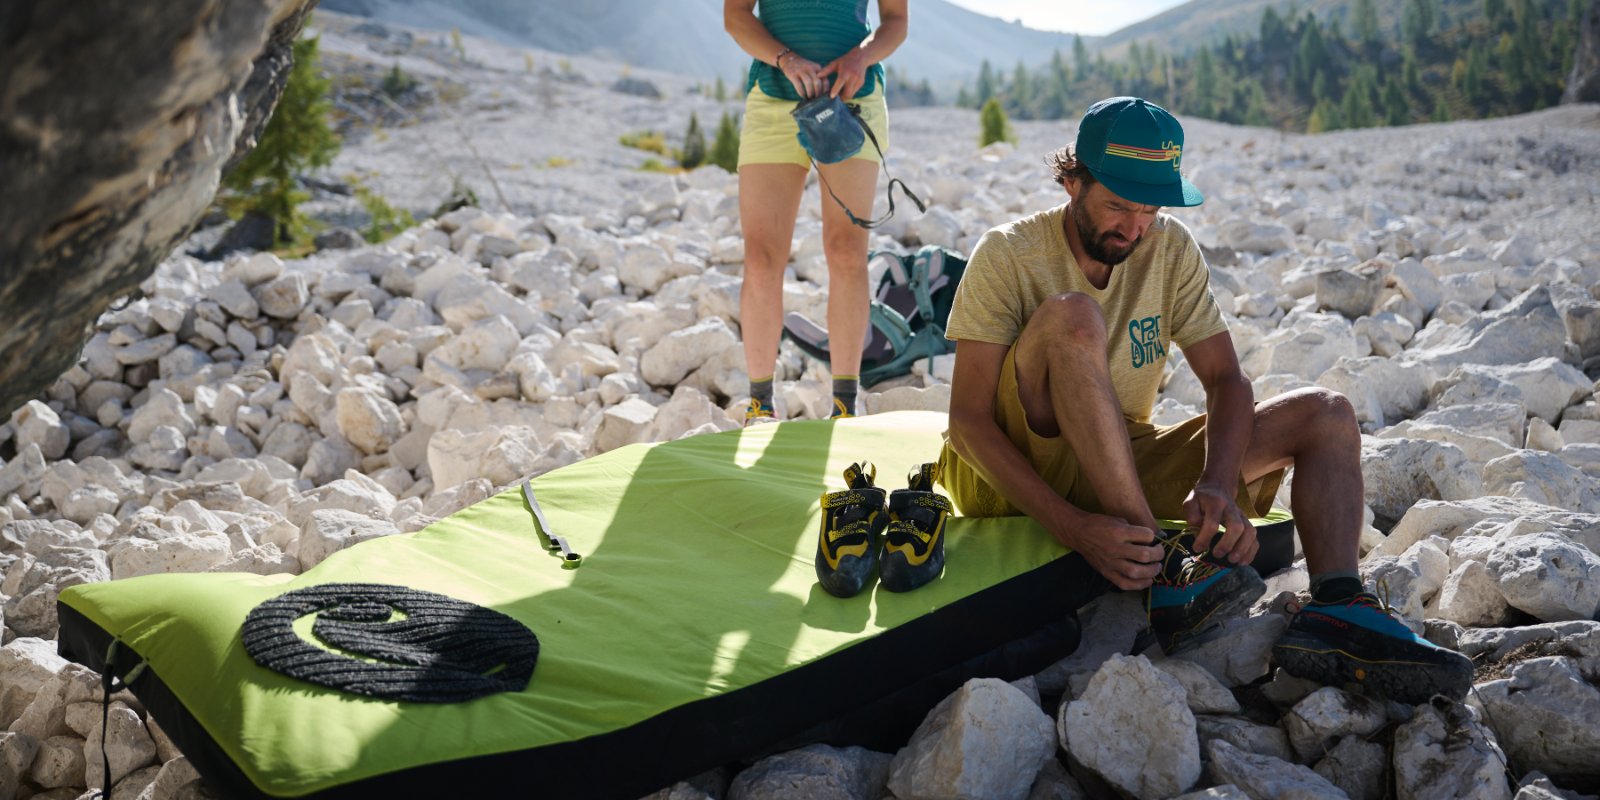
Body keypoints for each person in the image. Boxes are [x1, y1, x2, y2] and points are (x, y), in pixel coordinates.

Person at [937, 96, 1472, 704]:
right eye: (1117, 205)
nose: (1134, 227)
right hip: (1009, 470)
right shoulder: (1007, 252)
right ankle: (1168, 571)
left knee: (1326, 413)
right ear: (1071, 181)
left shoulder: (1167, 247)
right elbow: (968, 422)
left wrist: (1217, 486)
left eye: (1149, 208)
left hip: (1116, 458)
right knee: (1072, 318)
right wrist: (1074, 528)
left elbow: (1226, 379)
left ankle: (1337, 612)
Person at [724, 0, 908, 424]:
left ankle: (845, 405)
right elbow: (735, 16)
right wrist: (785, 59)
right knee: (761, 256)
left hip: (852, 102)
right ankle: (760, 407)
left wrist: (861, 56)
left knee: (846, 251)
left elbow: (896, 22)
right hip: (773, 101)